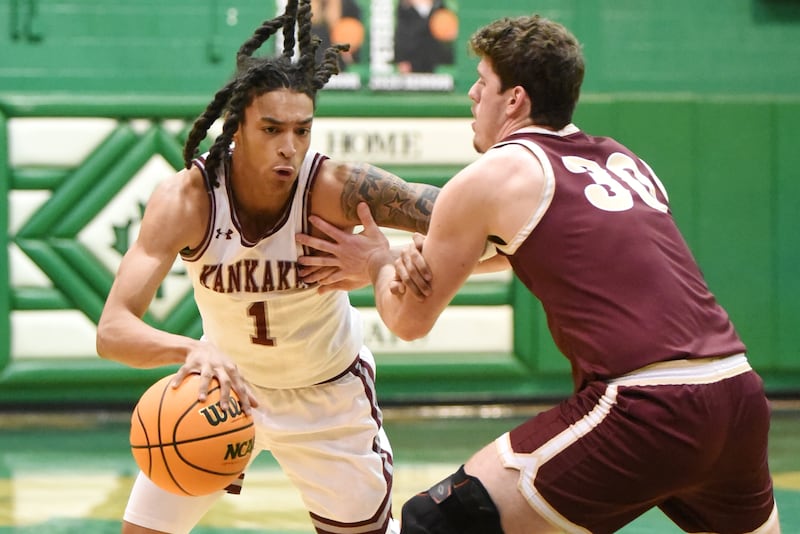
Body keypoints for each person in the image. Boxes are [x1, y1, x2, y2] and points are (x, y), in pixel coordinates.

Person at [295, 13, 782, 534]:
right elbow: (570, 248)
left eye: (482, 82)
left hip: (649, 404)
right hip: (737, 394)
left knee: (438, 521)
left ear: (515, 100)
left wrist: (374, 260)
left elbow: (409, 321)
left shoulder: (491, 175)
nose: (472, 95)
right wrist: (423, 258)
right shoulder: (623, 160)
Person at [94, 1, 439, 533]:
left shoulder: (336, 189)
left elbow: (476, 232)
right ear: (237, 126)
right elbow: (112, 331)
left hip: (329, 396)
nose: (289, 148)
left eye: (302, 131)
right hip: (223, 393)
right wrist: (192, 348)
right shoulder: (188, 199)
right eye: (272, 129)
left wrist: (381, 263)